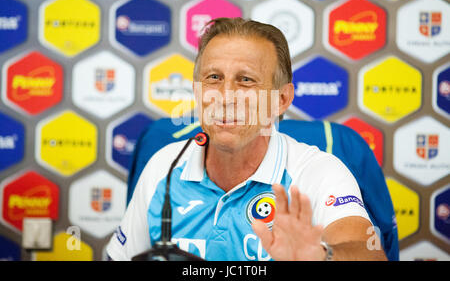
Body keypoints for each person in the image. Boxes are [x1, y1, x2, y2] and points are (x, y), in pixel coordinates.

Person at [106, 18, 387, 261]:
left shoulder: (319, 172)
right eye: (214, 77)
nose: (225, 96)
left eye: (246, 80)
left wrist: (320, 256)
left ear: (281, 99)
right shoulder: (164, 165)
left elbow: (369, 253)